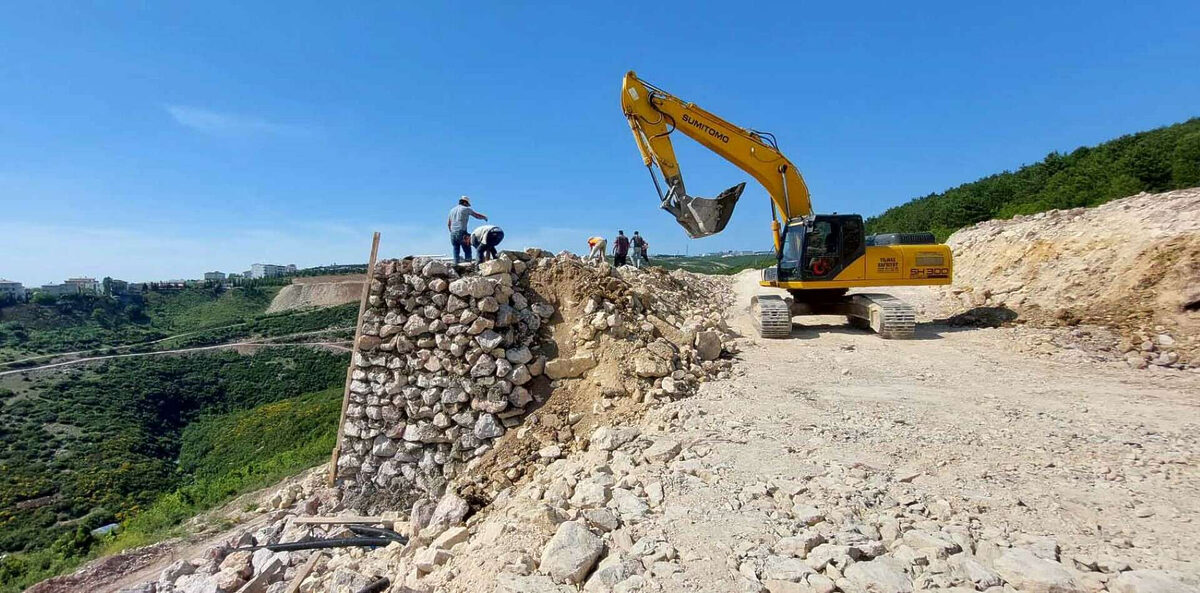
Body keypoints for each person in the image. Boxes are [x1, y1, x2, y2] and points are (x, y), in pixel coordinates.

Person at [447, 196, 487, 264]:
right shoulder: (466, 209)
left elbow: (448, 224)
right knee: (467, 248)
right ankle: (468, 265)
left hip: (453, 234)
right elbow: (476, 215)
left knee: (456, 250)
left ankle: (456, 265)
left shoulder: (452, 210)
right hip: (461, 232)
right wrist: (484, 217)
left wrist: (452, 232)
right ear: (465, 203)